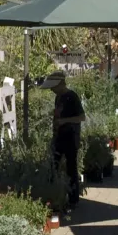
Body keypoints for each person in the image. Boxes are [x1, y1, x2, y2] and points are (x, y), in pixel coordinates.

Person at [39, 71, 85, 207]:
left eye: (53, 87)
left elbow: (82, 117)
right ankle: (54, 195)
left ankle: (73, 199)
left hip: (71, 137)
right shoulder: (58, 98)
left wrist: (64, 121)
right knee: (54, 165)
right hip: (59, 137)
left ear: (60, 84)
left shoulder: (72, 96)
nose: (52, 90)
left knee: (71, 167)